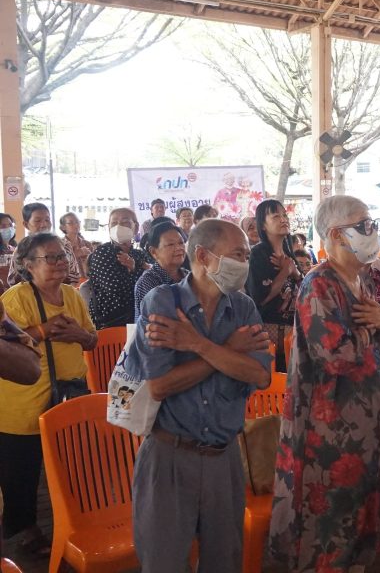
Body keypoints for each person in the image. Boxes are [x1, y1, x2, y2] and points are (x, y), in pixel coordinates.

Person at [127, 219, 272, 573]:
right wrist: (228, 352)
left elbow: (260, 375)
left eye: (247, 255)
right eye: (238, 254)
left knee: (224, 561)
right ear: (204, 256)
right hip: (170, 455)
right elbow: (160, 385)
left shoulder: (242, 306)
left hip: (225, 456)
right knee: (164, 563)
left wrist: (197, 344)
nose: (245, 262)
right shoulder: (162, 302)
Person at [269, 196, 380, 572]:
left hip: (364, 427)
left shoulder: (360, 278)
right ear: (337, 235)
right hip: (326, 432)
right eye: (365, 225)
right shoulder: (319, 284)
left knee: (359, 515)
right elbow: (335, 355)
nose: (372, 231)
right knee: (326, 526)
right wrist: (376, 326)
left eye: (372, 223)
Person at [0, 232, 96, 556]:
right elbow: (6, 345)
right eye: (49, 257)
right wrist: (44, 330)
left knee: (72, 465)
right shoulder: (16, 298)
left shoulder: (72, 294)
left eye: (62, 256)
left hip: (70, 397)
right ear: (28, 265)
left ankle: (76, 523)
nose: (59, 263)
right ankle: (27, 532)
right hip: (24, 402)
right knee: (22, 471)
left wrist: (78, 334)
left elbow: (93, 339)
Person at [246, 200, 300, 372]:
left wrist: (295, 273)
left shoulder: (288, 253)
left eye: (284, 215)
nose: (283, 219)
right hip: (271, 336)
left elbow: (305, 290)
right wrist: (285, 271)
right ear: (263, 225)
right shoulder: (258, 254)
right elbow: (260, 298)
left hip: (294, 333)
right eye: (276, 216)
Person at [88, 209, 148, 329]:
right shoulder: (103, 252)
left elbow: (149, 285)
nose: (118, 227)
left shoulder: (139, 254)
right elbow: (114, 289)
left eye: (125, 222)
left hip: (140, 317)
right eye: (114, 223)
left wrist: (134, 268)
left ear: (136, 228)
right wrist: (134, 270)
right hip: (112, 321)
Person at [9, 204, 80, 287]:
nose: (44, 224)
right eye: (37, 221)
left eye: (47, 220)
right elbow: (14, 280)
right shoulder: (22, 249)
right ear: (26, 224)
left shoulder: (64, 245)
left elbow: (74, 276)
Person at [134, 222, 189, 321]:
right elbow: (159, 322)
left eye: (181, 243)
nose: (179, 248)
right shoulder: (148, 282)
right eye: (170, 244)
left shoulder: (188, 276)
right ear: (153, 252)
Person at [59, 212, 93, 278]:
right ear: (63, 227)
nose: (76, 225)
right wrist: (77, 253)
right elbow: (58, 264)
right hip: (68, 281)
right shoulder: (60, 245)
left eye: (77, 222)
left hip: (87, 281)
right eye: (71, 223)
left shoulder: (87, 244)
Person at [0, 214, 17, 291]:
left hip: (15, 293)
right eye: (3, 226)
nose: (8, 229)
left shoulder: (16, 250)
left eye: (10, 225)